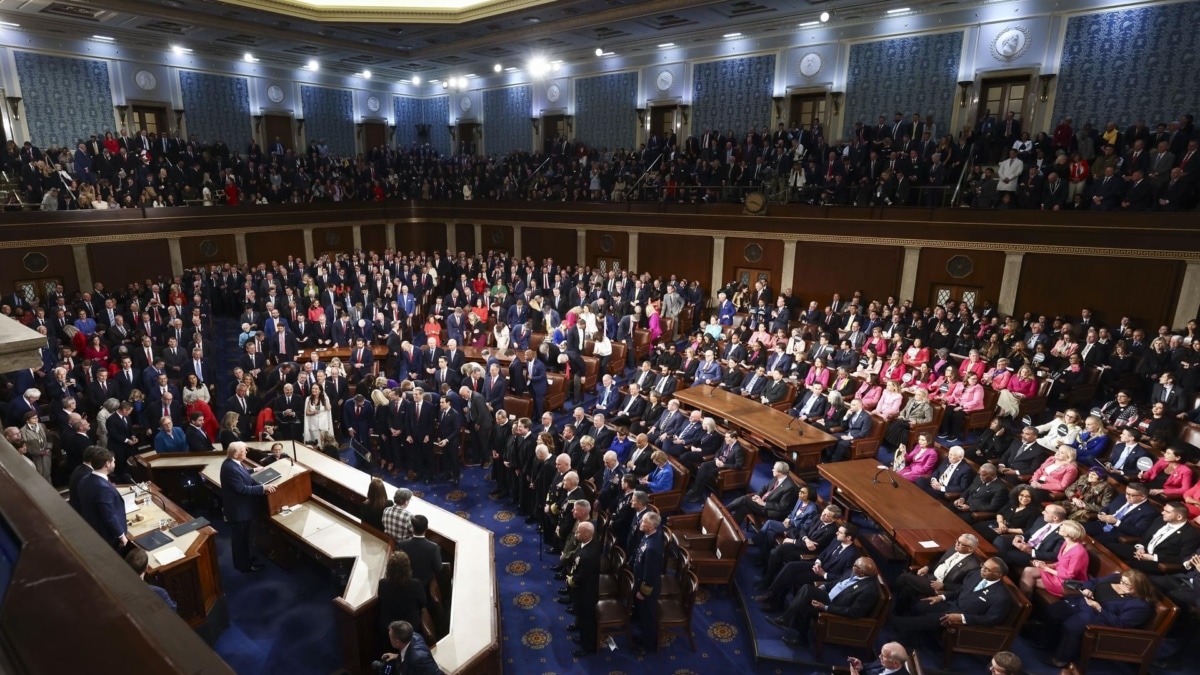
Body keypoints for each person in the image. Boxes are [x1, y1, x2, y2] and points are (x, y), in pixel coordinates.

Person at [890, 556, 1012, 648]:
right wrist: (942, 598)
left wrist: (962, 618)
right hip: (951, 604)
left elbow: (990, 620)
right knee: (920, 606)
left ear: (998, 574)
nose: (982, 570)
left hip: (960, 617)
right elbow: (961, 590)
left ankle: (893, 626)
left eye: (987, 569)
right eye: (983, 566)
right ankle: (916, 638)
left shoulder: (1001, 596)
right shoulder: (976, 575)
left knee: (927, 618)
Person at [1042, 569, 1156, 668]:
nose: (1121, 584)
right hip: (1082, 602)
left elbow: (1120, 623)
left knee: (1071, 626)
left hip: (1099, 617)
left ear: (1139, 587)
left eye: (1126, 584)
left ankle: (1061, 660)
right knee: (1054, 610)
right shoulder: (1115, 577)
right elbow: (1093, 581)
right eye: (1122, 581)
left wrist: (1099, 608)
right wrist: (1087, 589)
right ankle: (1048, 644)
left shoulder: (1140, 606)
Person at [768, 555, 880, 648]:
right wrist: (823, 587)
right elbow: (838, 582)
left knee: (807, 597)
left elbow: (853, 612)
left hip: (834, 606)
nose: (852, 566)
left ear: (861, 573)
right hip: (828, 596)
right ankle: (791, 625)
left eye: (855, 565)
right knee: (806, 591)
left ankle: (790, 624)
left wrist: (825, 607)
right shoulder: (854, 571)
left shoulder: (868, 590)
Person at [219, 442, 276, 573]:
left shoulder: (232, 463)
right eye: (244, 451)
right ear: (236, 454)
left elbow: (242, 473)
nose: (246, 452)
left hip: (241, 509)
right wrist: (263, 488)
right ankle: (244, 566)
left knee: (243, 538)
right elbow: (241, 488)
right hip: (239, 511)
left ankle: (244, 560)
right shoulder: (230, 468)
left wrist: (254, 470)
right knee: (240, 539)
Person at [891, 534, 981, 614]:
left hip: (938, 587)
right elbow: (939, 560)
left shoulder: (973, 566)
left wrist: (944, 586)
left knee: (906, 577)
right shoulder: (953, 548)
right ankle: (899, 613)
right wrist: (927, 567)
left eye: (962, 544)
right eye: (957, 541)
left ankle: (887, 594)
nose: (957, 544)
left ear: (971, 549)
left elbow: (964, 587)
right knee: (907, 588)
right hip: (930, 577)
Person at [1018, 519, 1088, 598]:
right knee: (1028, 570)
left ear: (1068, 533)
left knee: (1028, 581)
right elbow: (1061, 562)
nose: (1060, 527)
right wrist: (1050, 565)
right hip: (1056, 572)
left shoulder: (1078, 552)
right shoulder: (1066, 543)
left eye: (1062, 527)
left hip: (1066, 582)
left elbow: (1069, 576)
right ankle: (1023, 601)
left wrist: (1046, 568)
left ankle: (1025, 604)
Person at [563, 521, 601, 657]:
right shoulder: (585, 545)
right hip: (581, 591)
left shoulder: (589, 555)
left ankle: (588, 646)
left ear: (586, 535)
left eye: (578, 532)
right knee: (582, 618)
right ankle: (583, 637)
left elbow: (582, 577)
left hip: (586, 594)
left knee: (587, 621)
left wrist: (571, 580)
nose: (575, 533)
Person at [77, 449, 128, 549]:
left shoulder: (84, 479)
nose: (114, 463)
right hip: (108, 536)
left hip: (92, 529)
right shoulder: (103, 487)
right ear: (107, 464)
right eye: (113, 461)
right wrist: (121, 535)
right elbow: (108, 516)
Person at [629, 510, 664, 656]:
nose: (640, 523)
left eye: (643, 522)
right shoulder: (648, 536)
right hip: (639, 579)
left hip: (647, 588)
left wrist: (643, 592)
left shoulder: (652, 548)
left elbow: (650, 574)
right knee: (642, 613)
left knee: (648, 616)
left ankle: (648, 645)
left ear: (650, 526)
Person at [376, 551, 427, 648]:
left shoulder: (383, 584)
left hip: (388, 628)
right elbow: (423, 602)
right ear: (408, 568)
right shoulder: (416, 584)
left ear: (389, 569)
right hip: (410, 628)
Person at [395, 514, 442, 592]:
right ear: (426, 528)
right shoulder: (434, 548)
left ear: (413, 529)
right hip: (425, 585)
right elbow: (438, 568)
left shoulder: (402, 545)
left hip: (404, 582)